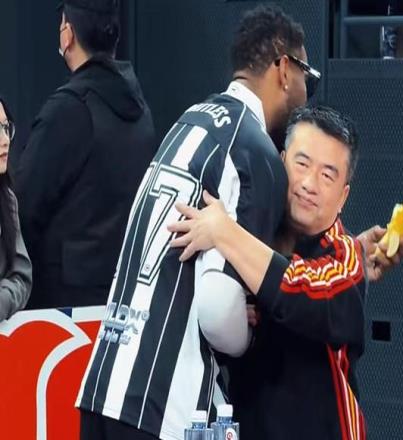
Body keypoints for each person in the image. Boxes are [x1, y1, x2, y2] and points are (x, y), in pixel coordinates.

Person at [77, 5, 316, 440]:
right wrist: (247, 333)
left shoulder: (188, 121)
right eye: (307, 76)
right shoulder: (256, 152)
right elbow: (218, 310)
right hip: (166, 407)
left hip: (102, 389)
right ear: (284, 68)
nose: (307, 91)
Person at [168, 106, 403, 440]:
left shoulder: (348, 255)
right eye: (301, 164)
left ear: (343, 197)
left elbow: (300, 289)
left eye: (327, 176)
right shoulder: (252, 236)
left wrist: (223, 231)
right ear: (279, 163)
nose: (309, 184)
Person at [13, 0, 156, 309]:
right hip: (121, 299)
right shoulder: (141, 109)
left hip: (60, 314)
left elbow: (23, 209)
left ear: (67, 35)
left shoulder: (68, 110)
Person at [0, 97, 32, 322]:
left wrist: (3, 301)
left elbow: (21, 276)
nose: (4, 140)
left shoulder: (7, 200)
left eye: (5, 128)